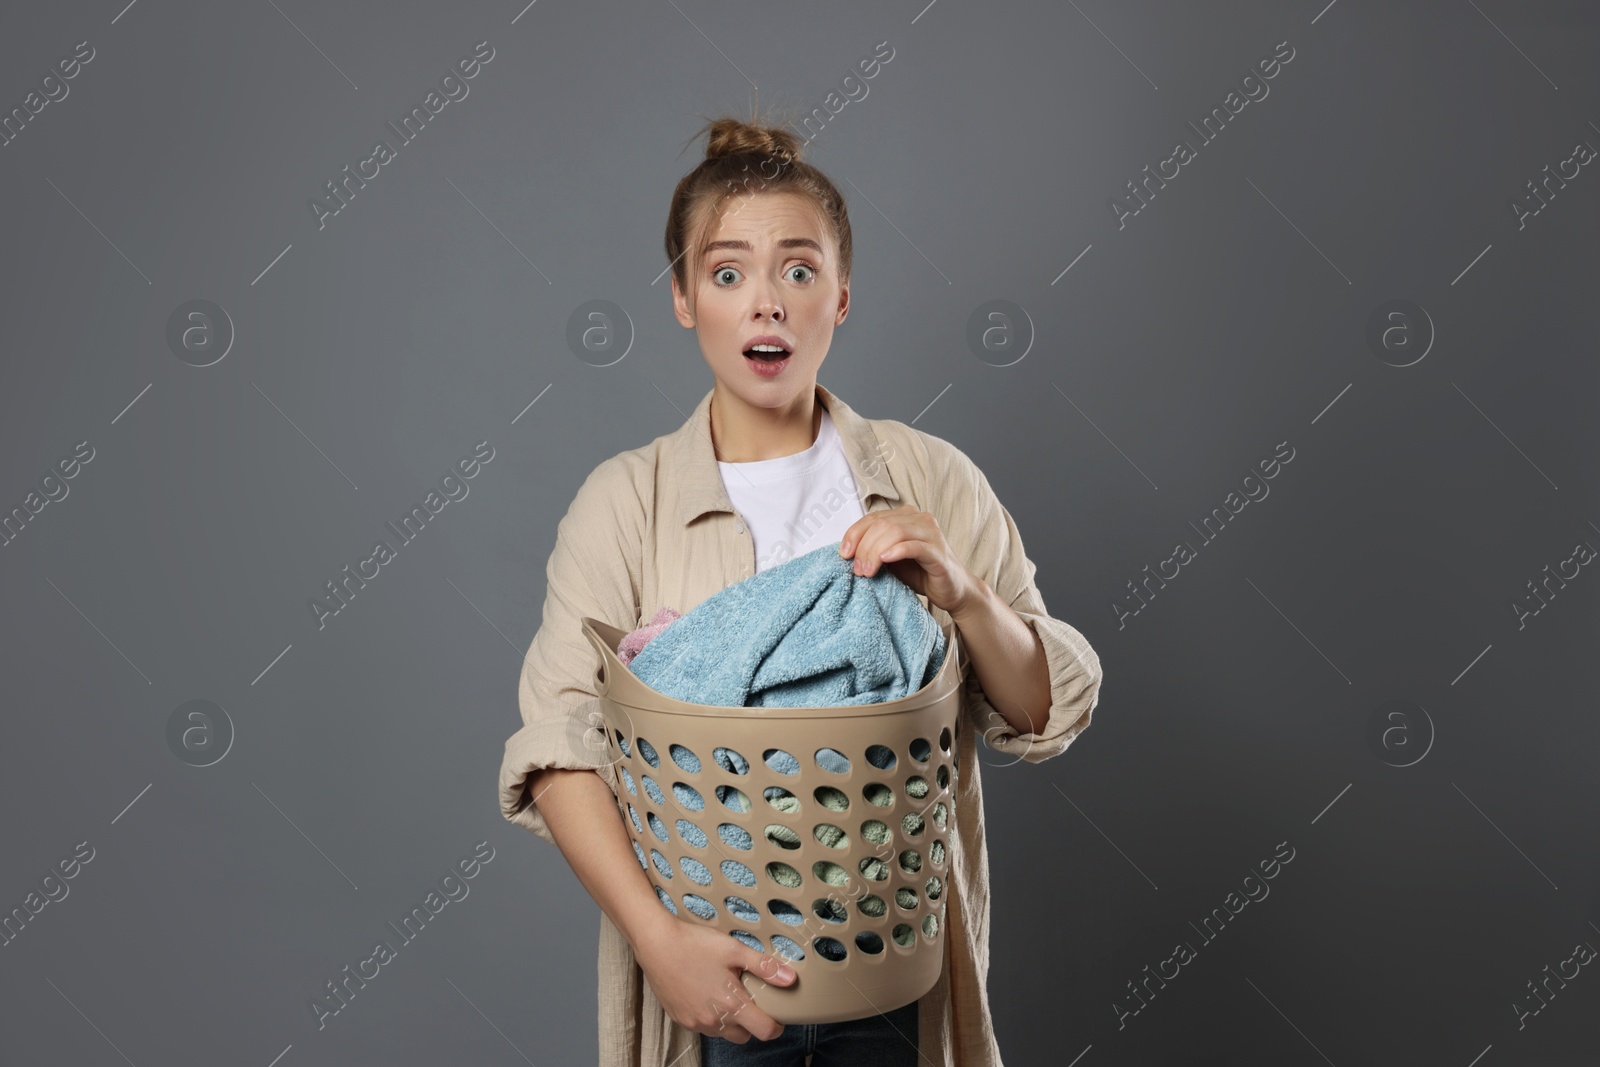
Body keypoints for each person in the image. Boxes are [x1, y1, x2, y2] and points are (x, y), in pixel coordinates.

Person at [497, 114, 1105, 1067]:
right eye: (728, 272)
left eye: (799, 269)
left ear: (844, 295)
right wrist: (663, 949)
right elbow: (561, 743)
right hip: (711, 984)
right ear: (685, 300)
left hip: (895, 972)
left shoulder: (931, 475)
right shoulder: (625, 501)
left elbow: (1037, 708)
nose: (766, 304)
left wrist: (964, 591)